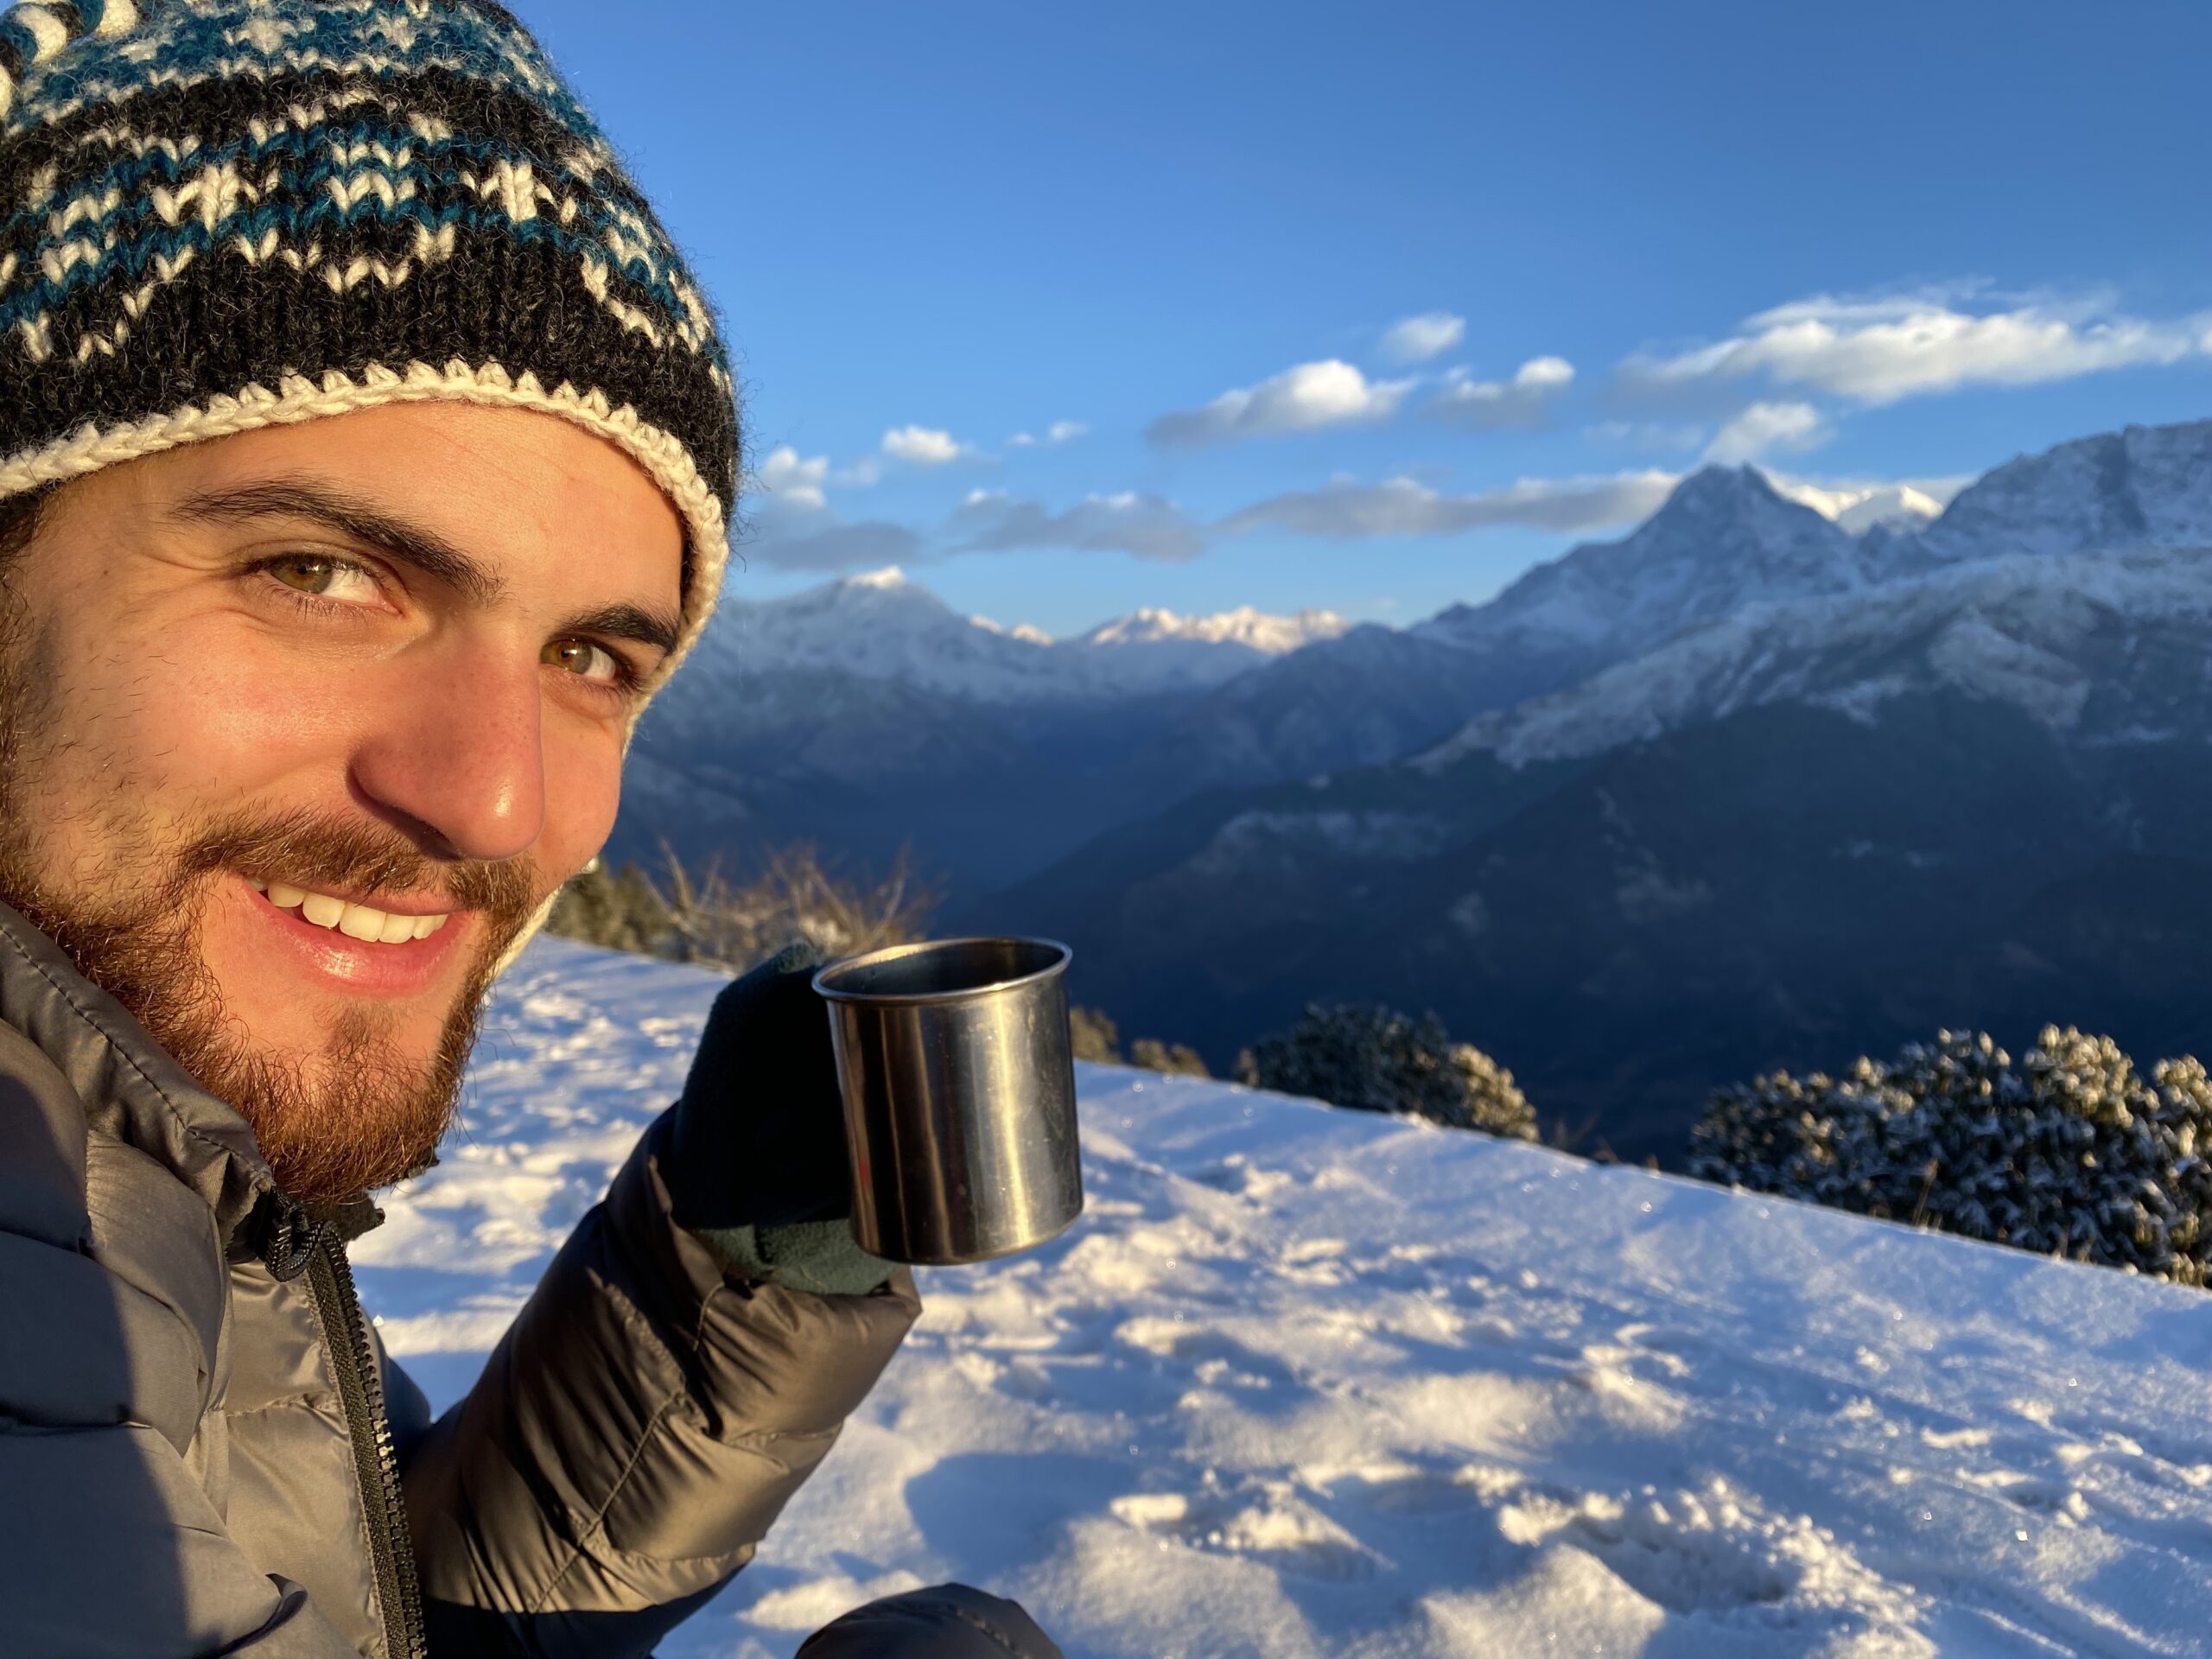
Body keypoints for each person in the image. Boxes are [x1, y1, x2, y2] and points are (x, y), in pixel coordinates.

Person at [0, 3, 1063, 1656]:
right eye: (321, 572)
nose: (497, 803)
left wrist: (727, 1276)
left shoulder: (132, 1195)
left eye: (591, 657)